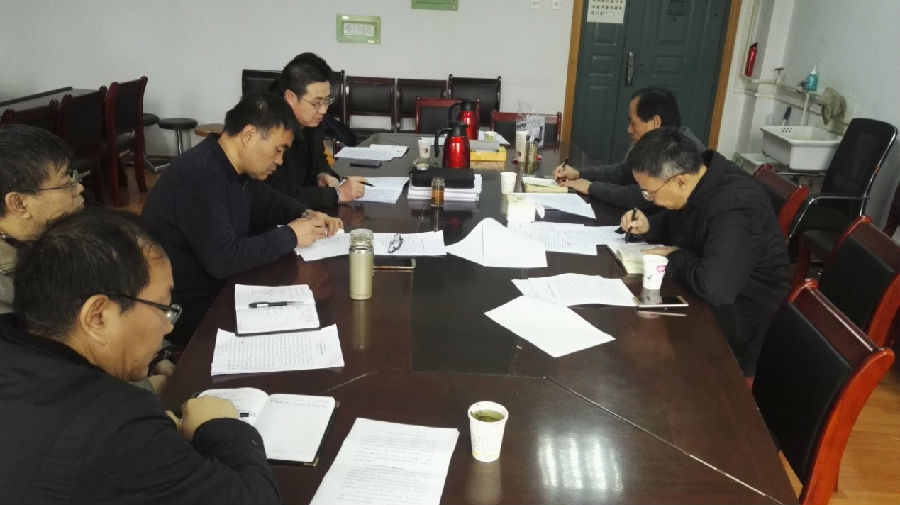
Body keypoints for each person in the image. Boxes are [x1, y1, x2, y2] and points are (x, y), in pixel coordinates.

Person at [0, 208, 281, 503]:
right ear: (97, 317)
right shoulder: (115, 423)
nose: (168, 326)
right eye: (162, 308)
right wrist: (220, 427)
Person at [142, 93, 342, 344]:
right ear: (248, 135)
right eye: (278, 150)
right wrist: (291, 235)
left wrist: (304, 213)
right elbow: (224, 259)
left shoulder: (232, 166)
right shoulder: (201, 176)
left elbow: (266, 200)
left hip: (223, 287)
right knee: (304, 324)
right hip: (191, 308)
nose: (279, 161)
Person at [619, 127, 789, 376]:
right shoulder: (699, 181)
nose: (649, 199)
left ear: (680, 181)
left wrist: (675, 256)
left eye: (650, 193)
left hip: (736, 331)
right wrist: (649, 225)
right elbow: (679, 222)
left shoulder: (737, 204)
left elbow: (714, 288)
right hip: (701, 304)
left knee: (643, 361)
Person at [553, 88, 706, 210]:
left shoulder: (679, 150)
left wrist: (591, 187)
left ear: (655, 122)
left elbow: (643, 197)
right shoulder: (655, 143)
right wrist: (578, 173)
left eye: (633, 123)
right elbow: (623, 172)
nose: (629, 130)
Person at [267, 52, 367, 208]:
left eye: (327, 101)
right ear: (290, 97)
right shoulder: (268, 129)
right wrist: (337, 194)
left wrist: (323, 174)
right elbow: (277, 193)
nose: (323, 110)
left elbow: (318, 158)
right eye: (316, 103)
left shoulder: (310, 120)